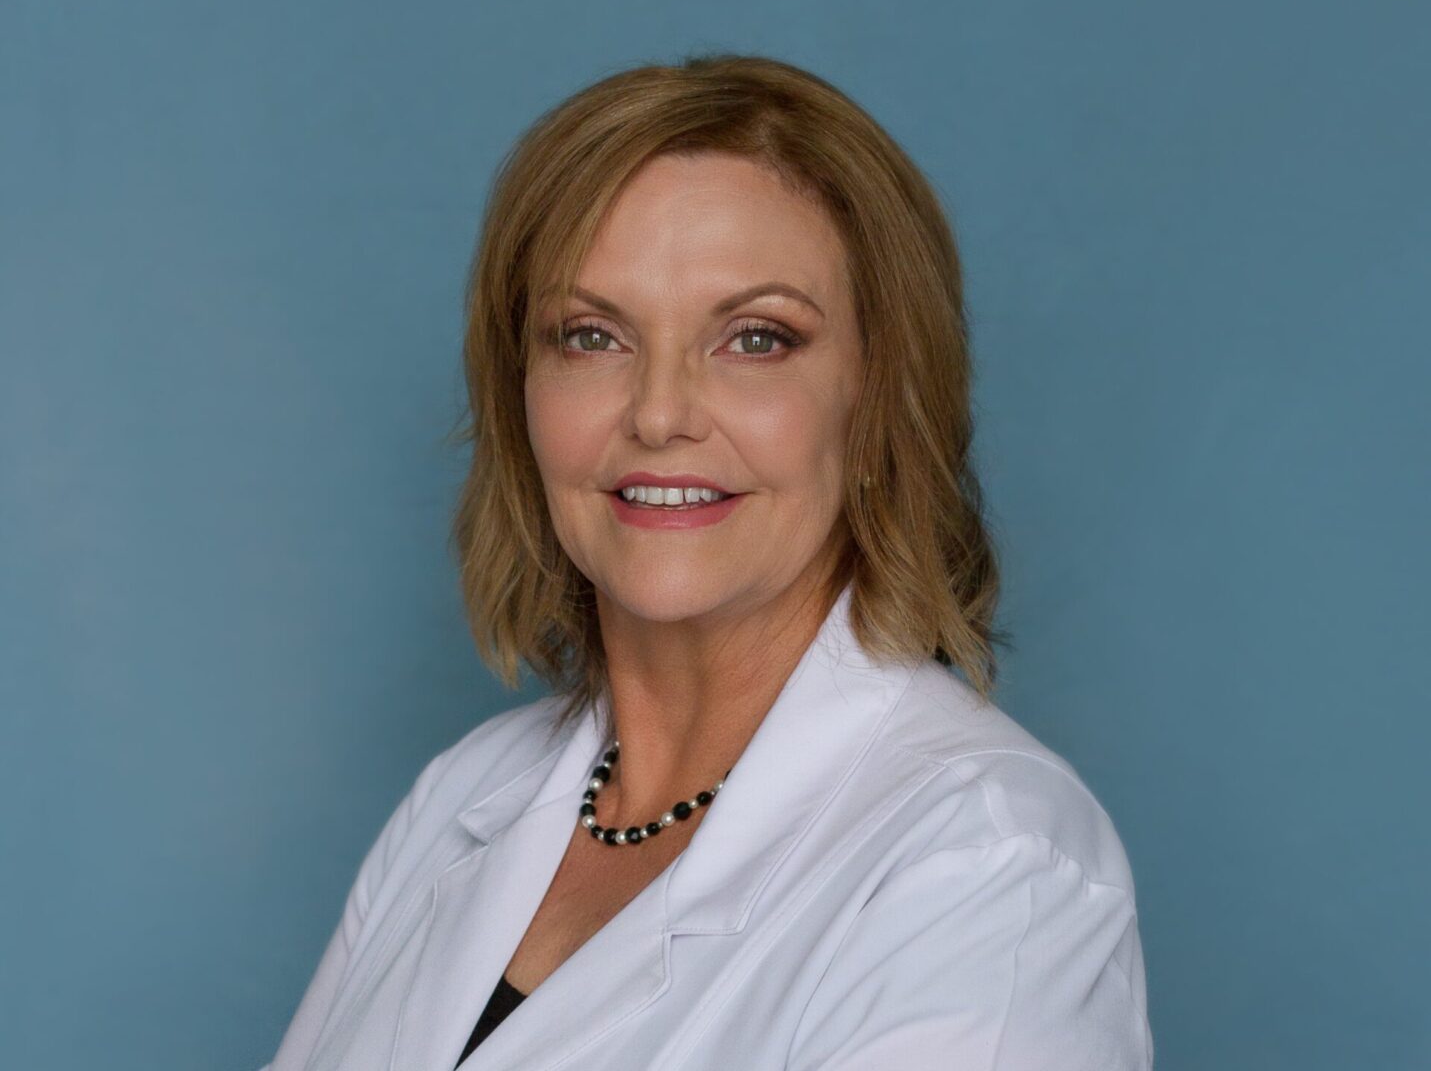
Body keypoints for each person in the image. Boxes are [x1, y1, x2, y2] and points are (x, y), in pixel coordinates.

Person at [260, 53, 1153, 1070]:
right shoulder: (462, 798)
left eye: (756, 340)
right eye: (592, 335)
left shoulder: (992, 866)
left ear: (877, 401)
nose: (659, 413)